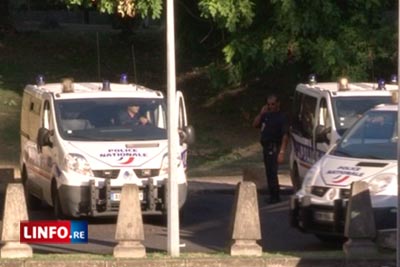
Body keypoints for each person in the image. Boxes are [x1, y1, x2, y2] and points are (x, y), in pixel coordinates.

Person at [253, 94, 289, 204]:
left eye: (273, 104)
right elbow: (255, 124)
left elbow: (285, 135)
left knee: (273, 172)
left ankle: (275, 196)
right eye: (268, 105)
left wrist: (282, 152)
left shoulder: (281, 117)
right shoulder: (266, 115)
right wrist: (261, 113)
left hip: (274, 147)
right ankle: (271, 194)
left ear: (278, 104)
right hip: (266, 146)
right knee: (269, 172)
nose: (271, 106)